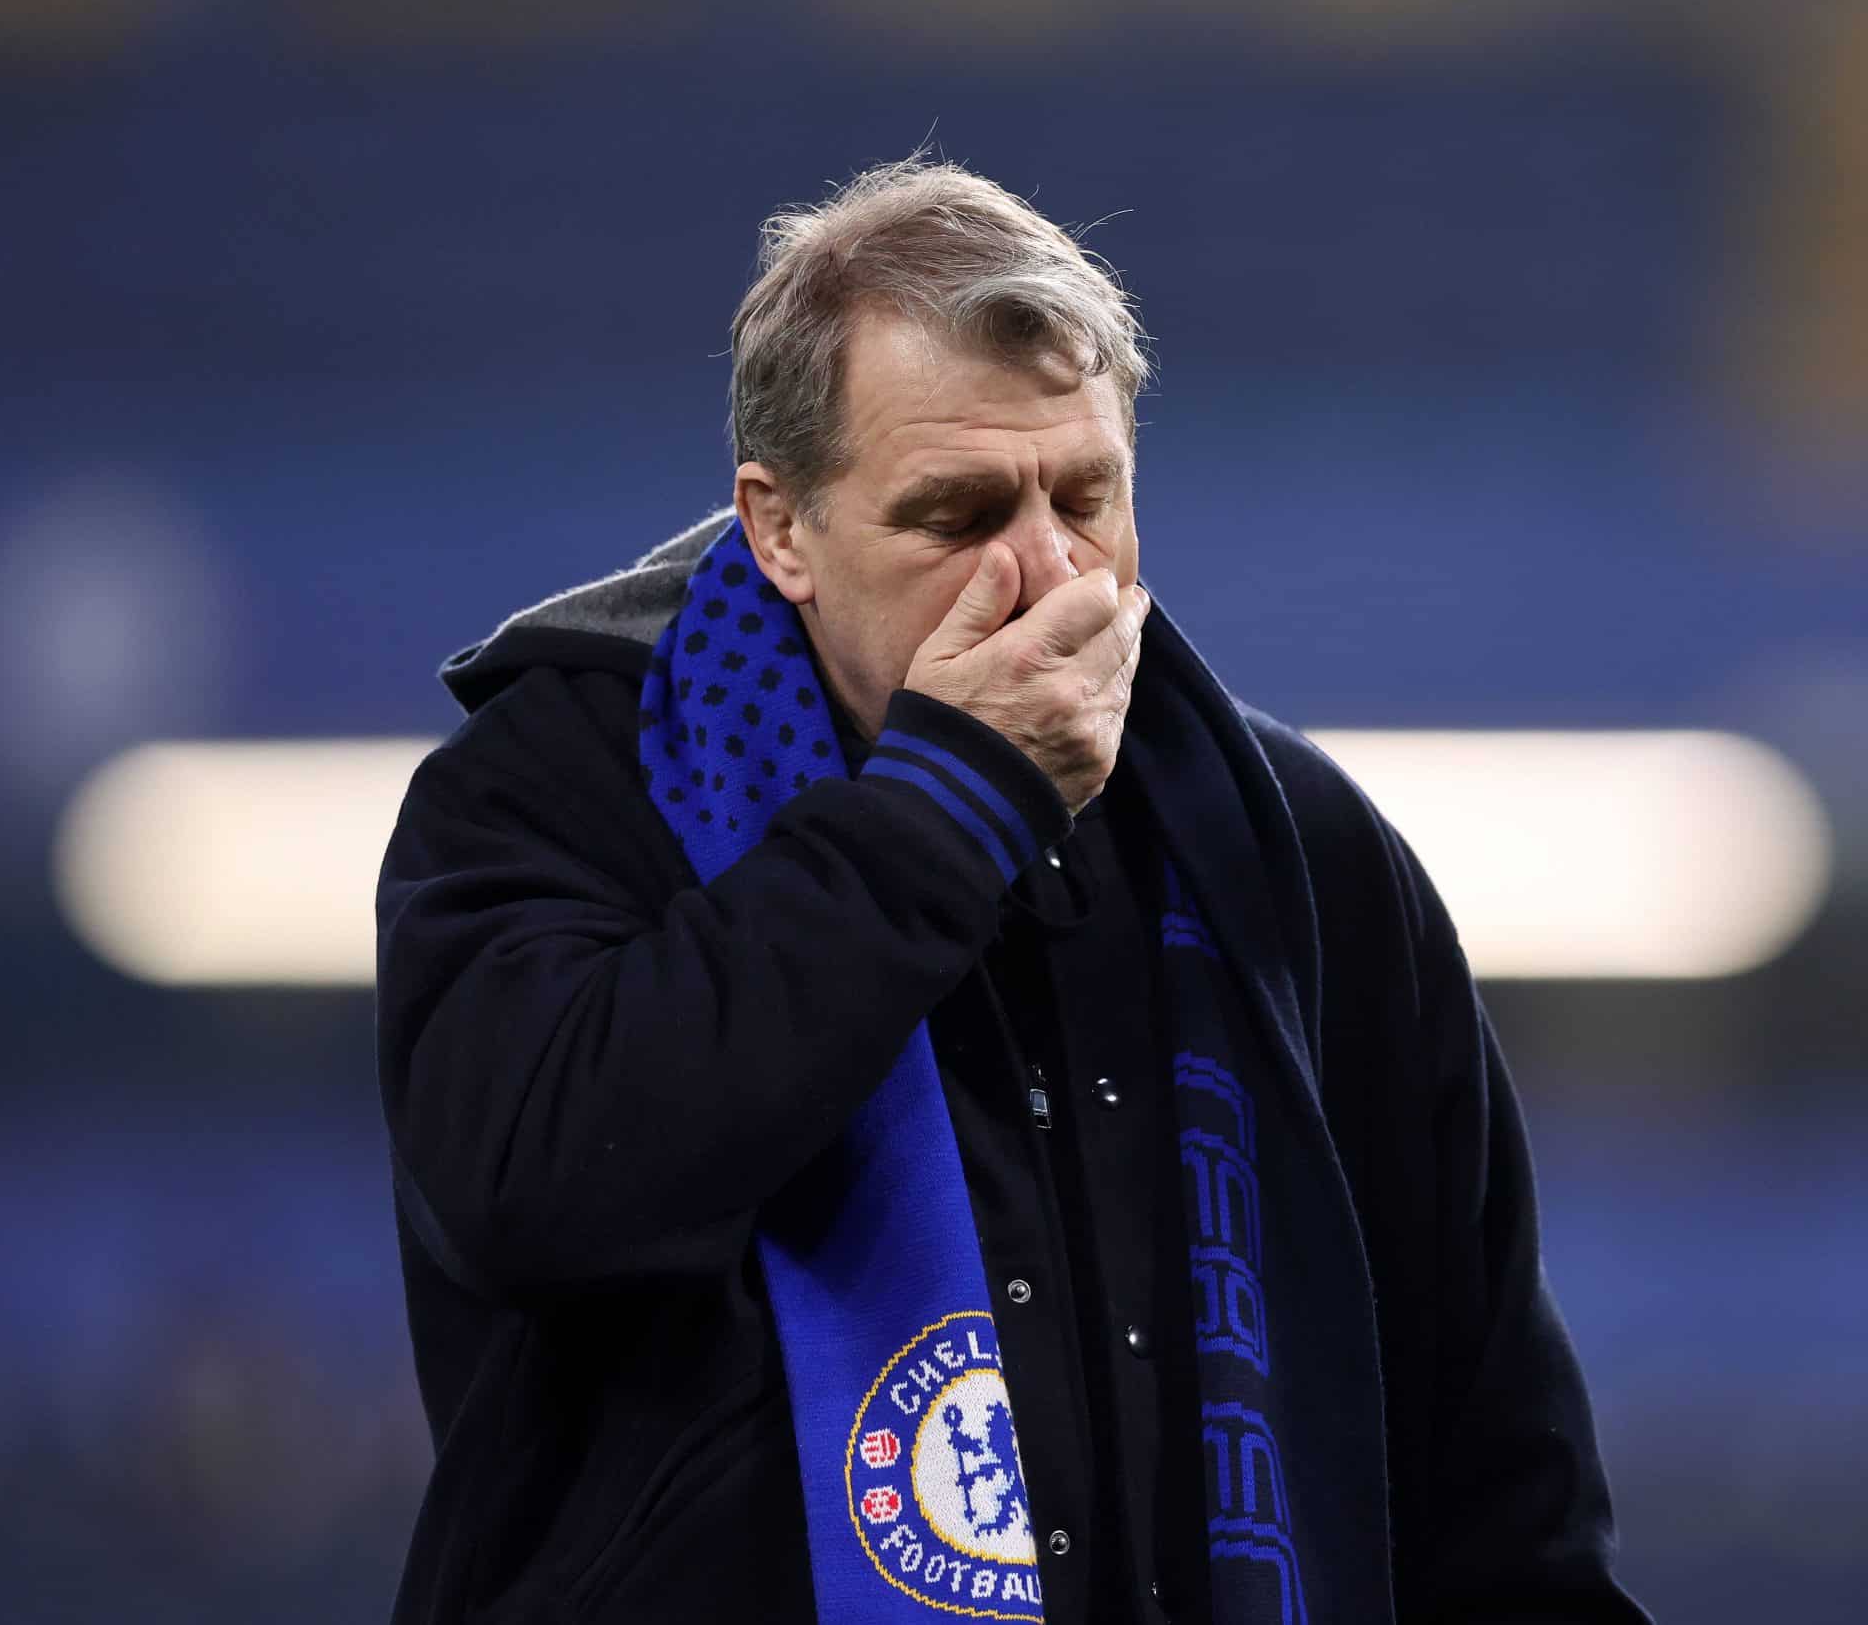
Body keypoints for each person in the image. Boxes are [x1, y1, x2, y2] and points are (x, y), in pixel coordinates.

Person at [374, 156, 1651, 1625]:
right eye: (960, 513)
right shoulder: (558, 791)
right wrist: (944, 809)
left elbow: (1496, 1472)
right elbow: (538, 1194)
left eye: (1085, 496)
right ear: (781, 526)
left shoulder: (1290, 849)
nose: (1045, 569)